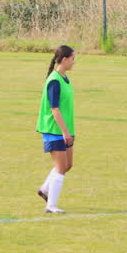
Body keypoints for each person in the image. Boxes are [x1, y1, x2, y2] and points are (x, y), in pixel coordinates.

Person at [35, 45, 77, 214]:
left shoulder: (64, 78)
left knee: (68, 165)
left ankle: (45, 189)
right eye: (73, 58)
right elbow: (54, 109)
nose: (75, 62)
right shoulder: (54, 80)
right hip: (54, 130)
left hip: (65, 128)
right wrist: (65, 132)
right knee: (61, 167)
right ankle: (51, 205)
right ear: (64, 59)